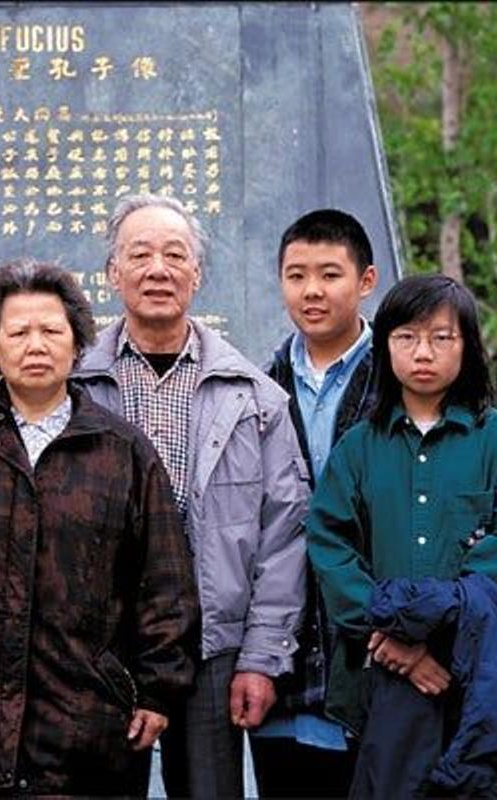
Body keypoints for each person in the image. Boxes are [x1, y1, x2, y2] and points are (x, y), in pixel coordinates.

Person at [0, 259, 200, 795]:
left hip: (92, 726)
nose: (34, 344)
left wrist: (157, 692)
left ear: (76, 343)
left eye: (50, 331)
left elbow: (164, 582)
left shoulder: (122, 451)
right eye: (17, 332)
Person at [73, 194, 310, 798]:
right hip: (102, 646)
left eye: (175, 255)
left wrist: (261, 656)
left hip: (213, 646)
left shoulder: (254, 398)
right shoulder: (73, 388)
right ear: (113, 273)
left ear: (198, 274)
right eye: (140, 254)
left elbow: (285, 537)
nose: (159, 269)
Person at [305, 274, 497, 795]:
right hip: (382, 681)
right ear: (384, 345)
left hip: (482, 682)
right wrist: (392, 640)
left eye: (442, 337)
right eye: (406, 337)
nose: (423, 352)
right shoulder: (357, 449)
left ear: (468, 347)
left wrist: (429, 637)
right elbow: (330, 547)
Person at [251, 209, 380, 796]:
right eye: (296, 275)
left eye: (330, 274)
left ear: (366, 281)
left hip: (377, 638)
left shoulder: (400, 379)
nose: (312, 291)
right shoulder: (258, 386)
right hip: (288, 644)